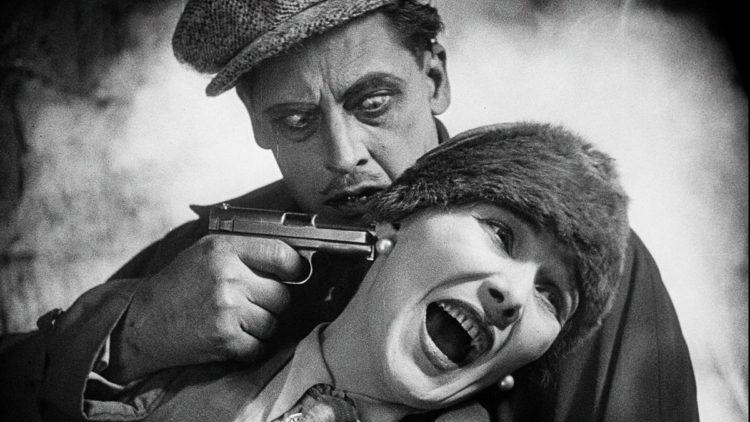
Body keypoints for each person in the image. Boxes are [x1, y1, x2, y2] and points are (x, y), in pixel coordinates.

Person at [0, 1, 698, 421]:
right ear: (256, 123)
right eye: (297, 120)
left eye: (373, 103)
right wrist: (134, 336)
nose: (345, 155)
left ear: (434, 76)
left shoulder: (569, 256)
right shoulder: (212, 245)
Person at [113, 121, 631, 422]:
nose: (514, 294)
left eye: (551, 296)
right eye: (500, 233)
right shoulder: (172, 373)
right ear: (395, 220)